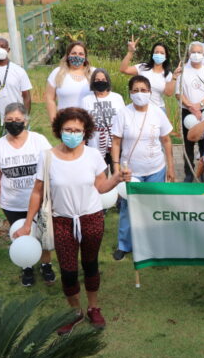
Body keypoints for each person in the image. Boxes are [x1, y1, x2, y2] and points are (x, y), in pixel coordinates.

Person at [15, 107, 131, 335]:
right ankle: (75, 312)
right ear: (59, 130)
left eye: (78, 130)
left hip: (92, 218)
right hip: (62, 221)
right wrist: (28, 223)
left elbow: (100, 187)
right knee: (68, 270)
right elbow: (37, 192)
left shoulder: (93, 155)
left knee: (90, 265)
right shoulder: (47, 157)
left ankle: (93, 307)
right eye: (68, 129)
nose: (73, 133)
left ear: (85, 132)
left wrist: (117, 178)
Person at [0, 102, 53, 286]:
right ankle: (27, 266)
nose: (14, 123)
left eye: (18, 119)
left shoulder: (38, 141)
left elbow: (51, 167)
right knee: (21, 235)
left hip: (39, 200)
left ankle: (46, 264)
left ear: (26, 120)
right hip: (12, 204)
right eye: (9, 120)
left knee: (43, 234)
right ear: (4, 122)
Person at [111, 75, 175, 260]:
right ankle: (125, 244)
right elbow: (115, 142)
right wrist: (116, 168)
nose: (140, 94)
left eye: (143, 90)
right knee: (128, 208)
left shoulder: (157, 112)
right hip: (131, 171)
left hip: (156, 168)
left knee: (153, 207)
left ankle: (152, 243)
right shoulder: (123, 113)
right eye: (135, 90)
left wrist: (170, 167)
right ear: (130, 93)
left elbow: (167, 140)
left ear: (150, 92)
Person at [177, 41, 204, 182]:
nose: (196, 55)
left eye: (199, 52)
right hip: (188, 112)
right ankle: (189, 173)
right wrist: (191, 106)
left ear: (203, 54)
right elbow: (178, 94)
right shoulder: (182, 71)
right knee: (188, 144)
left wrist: (200, 105)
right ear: (189, 54)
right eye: (193, 52)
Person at [119, 38, 180, 111]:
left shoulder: (168, 74)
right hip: (140, 108)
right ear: (152, 54)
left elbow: (168, 93)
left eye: (162, 53)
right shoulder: (143, 67)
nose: (159, 54)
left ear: (166, 56)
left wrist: (174, 77)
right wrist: (130, 52)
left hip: (158, 109)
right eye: (156, 52)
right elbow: (123, 69)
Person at [81, 69, 125, 168]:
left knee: (117, 173)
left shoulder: (117, 98)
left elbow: (123, 120)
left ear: (107, 81)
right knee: (99, 175)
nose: (100, 81)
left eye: (103, 79)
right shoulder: (86, 100)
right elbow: (83, 124)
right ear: (93, 82)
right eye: (97, 80)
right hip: (95, 142)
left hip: (114, 141)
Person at [46, 41, 94, 121]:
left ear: (85, 57)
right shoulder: (57, 73)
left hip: (90, 123)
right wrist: (54, 122)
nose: (77, 56)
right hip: (65, 122)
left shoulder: (94, 73)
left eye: (80, 54)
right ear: (68, 55)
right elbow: (50, 98)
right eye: (74, 53)